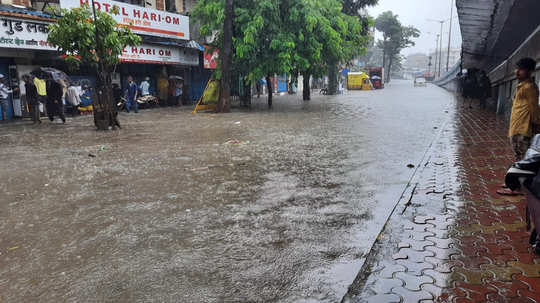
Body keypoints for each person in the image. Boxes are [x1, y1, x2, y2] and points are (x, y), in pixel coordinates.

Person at [498, 57, 540, 196]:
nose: (517, 71)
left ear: (529, 71)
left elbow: (534, 109)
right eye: (517, 68)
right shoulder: (521, 85)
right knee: (518, 155)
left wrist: (536, 125)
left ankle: (518, 187)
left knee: (523, 159)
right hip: (516, 127)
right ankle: (515, 182)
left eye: (521, 69)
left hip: (524, 128)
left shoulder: (530, 87)